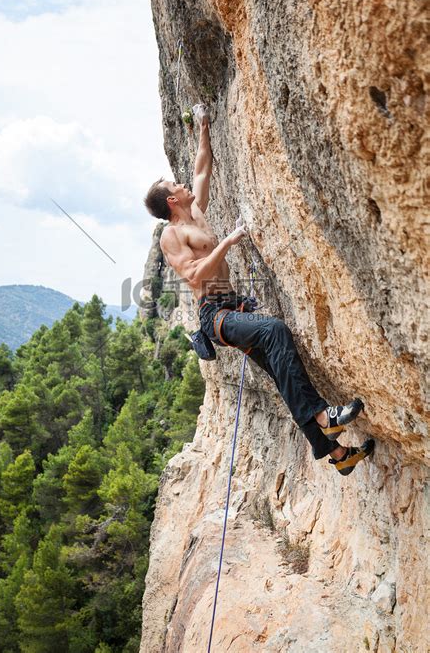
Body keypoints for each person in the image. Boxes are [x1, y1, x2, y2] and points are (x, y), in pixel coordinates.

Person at [144, 104, 374, 475]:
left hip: (232, 307)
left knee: (283, 373)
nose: (184, 184)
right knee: (274, 330)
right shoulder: (173, 235)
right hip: (216, 317)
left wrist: (203, 125)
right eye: (176, 186)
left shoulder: (197, 212)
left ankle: (337, 455)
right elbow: (194, 275)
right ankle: (323, 414)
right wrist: (230, 241)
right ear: (171, 200)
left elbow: (203, 166)